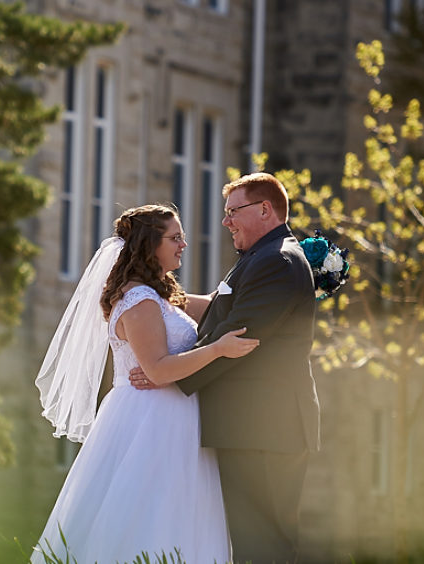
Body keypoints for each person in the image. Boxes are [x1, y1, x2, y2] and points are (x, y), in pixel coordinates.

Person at [32, 204, 258, 564]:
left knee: (178, 514)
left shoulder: (160, 297)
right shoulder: (139, 300)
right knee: (148, 515)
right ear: (149, 244)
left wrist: (287, 270)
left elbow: (218, 305)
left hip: (173, 417)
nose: (183, 244)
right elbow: (157, 371)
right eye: (175, 238)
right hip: (150, 422)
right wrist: (218, 349)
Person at [130, 173, 320, 563]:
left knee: (264, 547)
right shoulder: (258, 258)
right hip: (252, 429)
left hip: (267, 429)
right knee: (250, 545)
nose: (225, 222)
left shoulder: (277, 262)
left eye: (234, 211)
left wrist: (166, 372)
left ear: (265, 209)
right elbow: (219, 309)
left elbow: (238, 339)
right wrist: (152, 297)